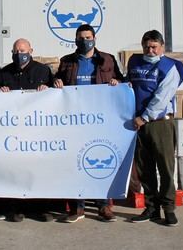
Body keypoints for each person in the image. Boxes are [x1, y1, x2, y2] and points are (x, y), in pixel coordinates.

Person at [53, 24, 124, 223]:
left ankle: (103, 206)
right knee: (75, 161)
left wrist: (117, 83)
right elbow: (58, 80)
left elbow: (121, 80)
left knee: (100, 160)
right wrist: (57, 82)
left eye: (88, 37)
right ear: (75, 40)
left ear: (94, 38)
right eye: (81, 37)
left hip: (101, 119)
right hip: (75, 120)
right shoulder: (67, 61)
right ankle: (78, 207)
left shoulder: (107, 59)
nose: (85, 41)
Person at [127, 30, 183, 227]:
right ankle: (151, 207)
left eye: (154, 47)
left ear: (162, 47)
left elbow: (162, 97)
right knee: (145, 167)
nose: (150, 51)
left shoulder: (171, 67)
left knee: (165, 167)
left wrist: (144, 117)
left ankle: (169, 208)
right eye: (146, 47)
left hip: (159, 122)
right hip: (138, 123)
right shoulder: (134, 62)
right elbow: (130, 86)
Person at [0, 38, 53, 222]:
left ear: (31, 50)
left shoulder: (43, 70)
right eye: (15, 51)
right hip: (12, 131)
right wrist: (0, 91)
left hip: (37, 130)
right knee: (14, 170)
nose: (19, 54)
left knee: (38, 170)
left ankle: (41, 209)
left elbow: (56, 96)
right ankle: (15, 208)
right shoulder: (4, 72)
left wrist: (48, 89)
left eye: (22, 50)